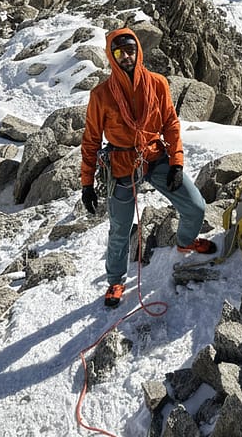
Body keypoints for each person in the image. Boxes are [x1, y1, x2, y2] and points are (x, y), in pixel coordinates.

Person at [80, 27, 217, 309]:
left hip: (155, 157)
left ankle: (186, 241)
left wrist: (176, 163)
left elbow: (170, 124)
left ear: (138, 51)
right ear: (111, 56)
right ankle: (116, 279)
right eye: (120, 52)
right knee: (120, 228)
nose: (126, 57)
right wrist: (86, 183)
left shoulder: (157, 84)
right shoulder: (101, 95)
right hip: (121, 165)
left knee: (196, 206)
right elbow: (91, 140)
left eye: (131, 50)